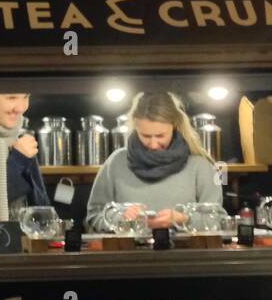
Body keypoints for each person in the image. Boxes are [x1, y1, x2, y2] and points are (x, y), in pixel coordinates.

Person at [86, 90, 221, 231]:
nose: (154, 144)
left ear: (174, 125)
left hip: (185, 252)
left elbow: (218, 219)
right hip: (130, 252)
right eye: (145, 136)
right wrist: (120, 218)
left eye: (160, 135)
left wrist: (183, 219)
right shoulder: (116, 162)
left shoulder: (201, 166)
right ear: (135, 128)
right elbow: (94, 215)